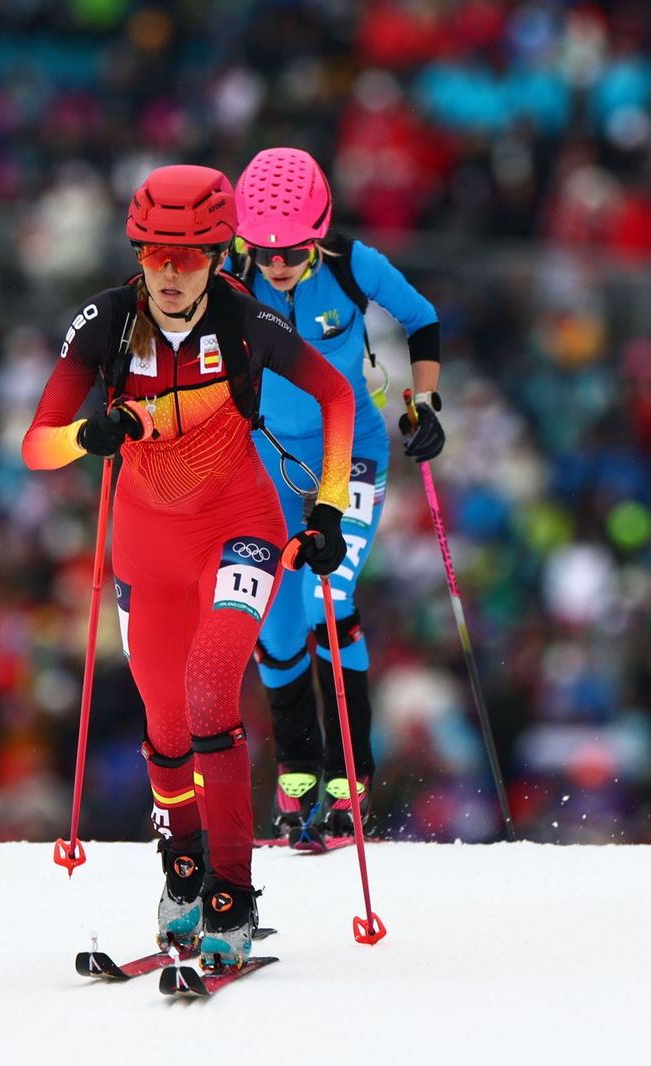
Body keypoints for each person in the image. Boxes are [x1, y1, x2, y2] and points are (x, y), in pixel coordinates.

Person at [23, 165, 355, 968]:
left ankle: (231, 894)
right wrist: (86, 437)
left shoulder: (245, 322)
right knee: (166, 725)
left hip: (238, 529)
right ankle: (182, 871)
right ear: (137, 252)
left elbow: (337, 396)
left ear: (219, 253)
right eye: (156, 255)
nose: (171, 274)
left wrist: (329, 509)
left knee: (212, 688)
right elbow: (36, 443)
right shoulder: (104, 321)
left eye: (191, 257)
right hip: (146, 546)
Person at [230, 147, 442, 844]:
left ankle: (351, 780)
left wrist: (425, 401)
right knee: (273, 620)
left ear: (317, 234)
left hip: (347, 459)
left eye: (289, 252)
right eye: (263, 253)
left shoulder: (355, 266)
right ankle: (296, 780)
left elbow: (422, 319)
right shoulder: (231, 273)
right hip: (267, 462)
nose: (276, 266)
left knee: (330, 596)